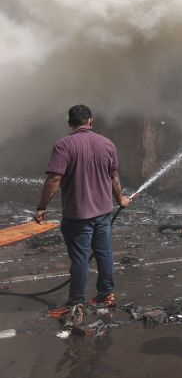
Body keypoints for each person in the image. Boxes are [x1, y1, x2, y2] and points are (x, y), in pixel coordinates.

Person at [34, 105, 131, 314]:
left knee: (79, 259)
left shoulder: (64, 145)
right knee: (104, 253)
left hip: (78, 215)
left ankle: (76, 301)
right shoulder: (107, 143)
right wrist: (120, 198)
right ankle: (107, 293)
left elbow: (54, 179)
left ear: (70, 123)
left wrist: (42, 207)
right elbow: (114, 176)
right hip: (103, 212)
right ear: (91, 120)